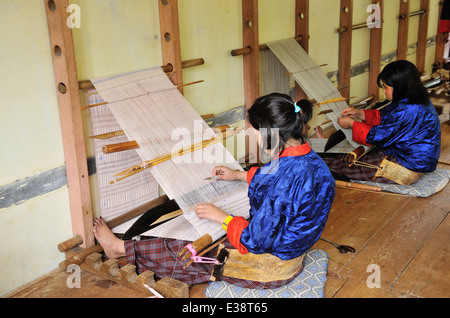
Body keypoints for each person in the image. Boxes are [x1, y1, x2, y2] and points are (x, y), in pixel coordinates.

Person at [93, 93, 336, 289]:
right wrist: (237, 175)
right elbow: (275, 180)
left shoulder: (282, 179)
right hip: (295, 251)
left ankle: (118, 248)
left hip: (269, 266)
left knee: (182, 250)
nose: (253, 136)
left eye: (253, 132)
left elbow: (254, 241)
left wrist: (221, 217)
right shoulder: (312, 161)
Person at [321, 60, 441, 183]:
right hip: (415, 156)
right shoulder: (413, 98)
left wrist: (352, 124)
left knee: (344, 165)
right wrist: (359, 113)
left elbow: (380, 136)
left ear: (400, 88)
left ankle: (318, 161)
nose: (383, 90)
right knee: (354, 158)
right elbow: (385, 116)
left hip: (410, 165)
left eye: (386, 87)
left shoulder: (409, 111)